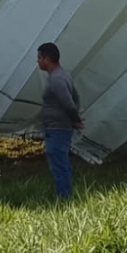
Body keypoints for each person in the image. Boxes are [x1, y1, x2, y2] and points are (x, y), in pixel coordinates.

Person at [36, 42, 82, 200]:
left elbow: (69, 102)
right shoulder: (64, 75)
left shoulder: (56, 80)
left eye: (39, 58)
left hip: (57, 129)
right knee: (61, 163)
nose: (38, 61)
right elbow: (76, 97)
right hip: (59, 128)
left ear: (47, 59)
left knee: (59, 165)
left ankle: (64, 197)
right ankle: (65, 194)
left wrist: (75, 120)